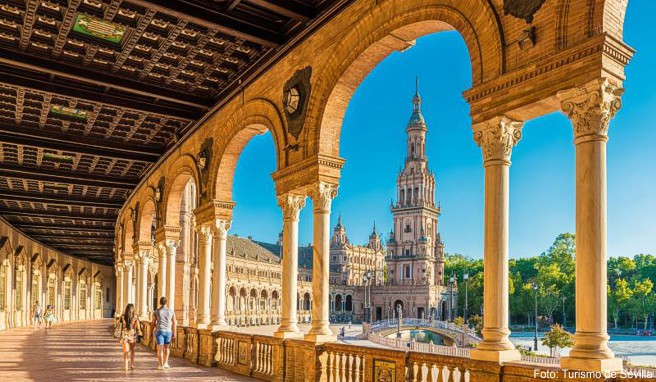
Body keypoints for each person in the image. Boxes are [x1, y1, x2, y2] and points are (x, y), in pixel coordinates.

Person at [151, 296, 176, 370]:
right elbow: (174, 323)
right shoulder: (171, 312)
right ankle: (166, 363)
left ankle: (160, 365)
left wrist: (150, 331)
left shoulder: (156, 312)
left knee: (160, 349)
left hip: (159, 331)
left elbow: (153, 323)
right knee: (167, 348)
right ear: (166, 302)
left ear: (160, 303)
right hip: (168, 332)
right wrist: (174, 332)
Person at [119, 303, 142, 371]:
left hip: (125, 335)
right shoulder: (135, 317)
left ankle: (125, 367)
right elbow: (138, 327)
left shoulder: (122, 316)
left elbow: (119, 325)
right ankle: (131, 365)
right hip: (132, 336)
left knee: (125, 351)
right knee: (132, 350)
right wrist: (140, 333)